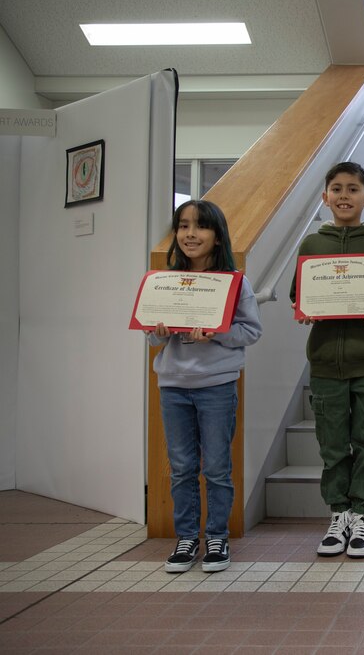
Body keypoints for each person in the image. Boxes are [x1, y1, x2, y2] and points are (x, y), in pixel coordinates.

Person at [290, 162, 364, 558]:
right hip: (325, 362)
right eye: (337, 189)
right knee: (332, 447)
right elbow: (298, 294)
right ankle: (338, 514)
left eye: (353, 189)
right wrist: (304, 306)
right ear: (325, 198)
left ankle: (363, 516)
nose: (344, 195)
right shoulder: (311, 246)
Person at [148, 200, 263, 574]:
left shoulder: (234, 282)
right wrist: (158, 330)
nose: (190, 234)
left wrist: (218, 333)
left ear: (217, 237)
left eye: (200, 227)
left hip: (216, 386)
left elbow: (251, 331)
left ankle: (216, 537)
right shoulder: (164, 281)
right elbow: (150, 336)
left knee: (216, 467)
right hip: (173, 385)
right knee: (181, 467)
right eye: (183, 227)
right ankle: (186, 538)